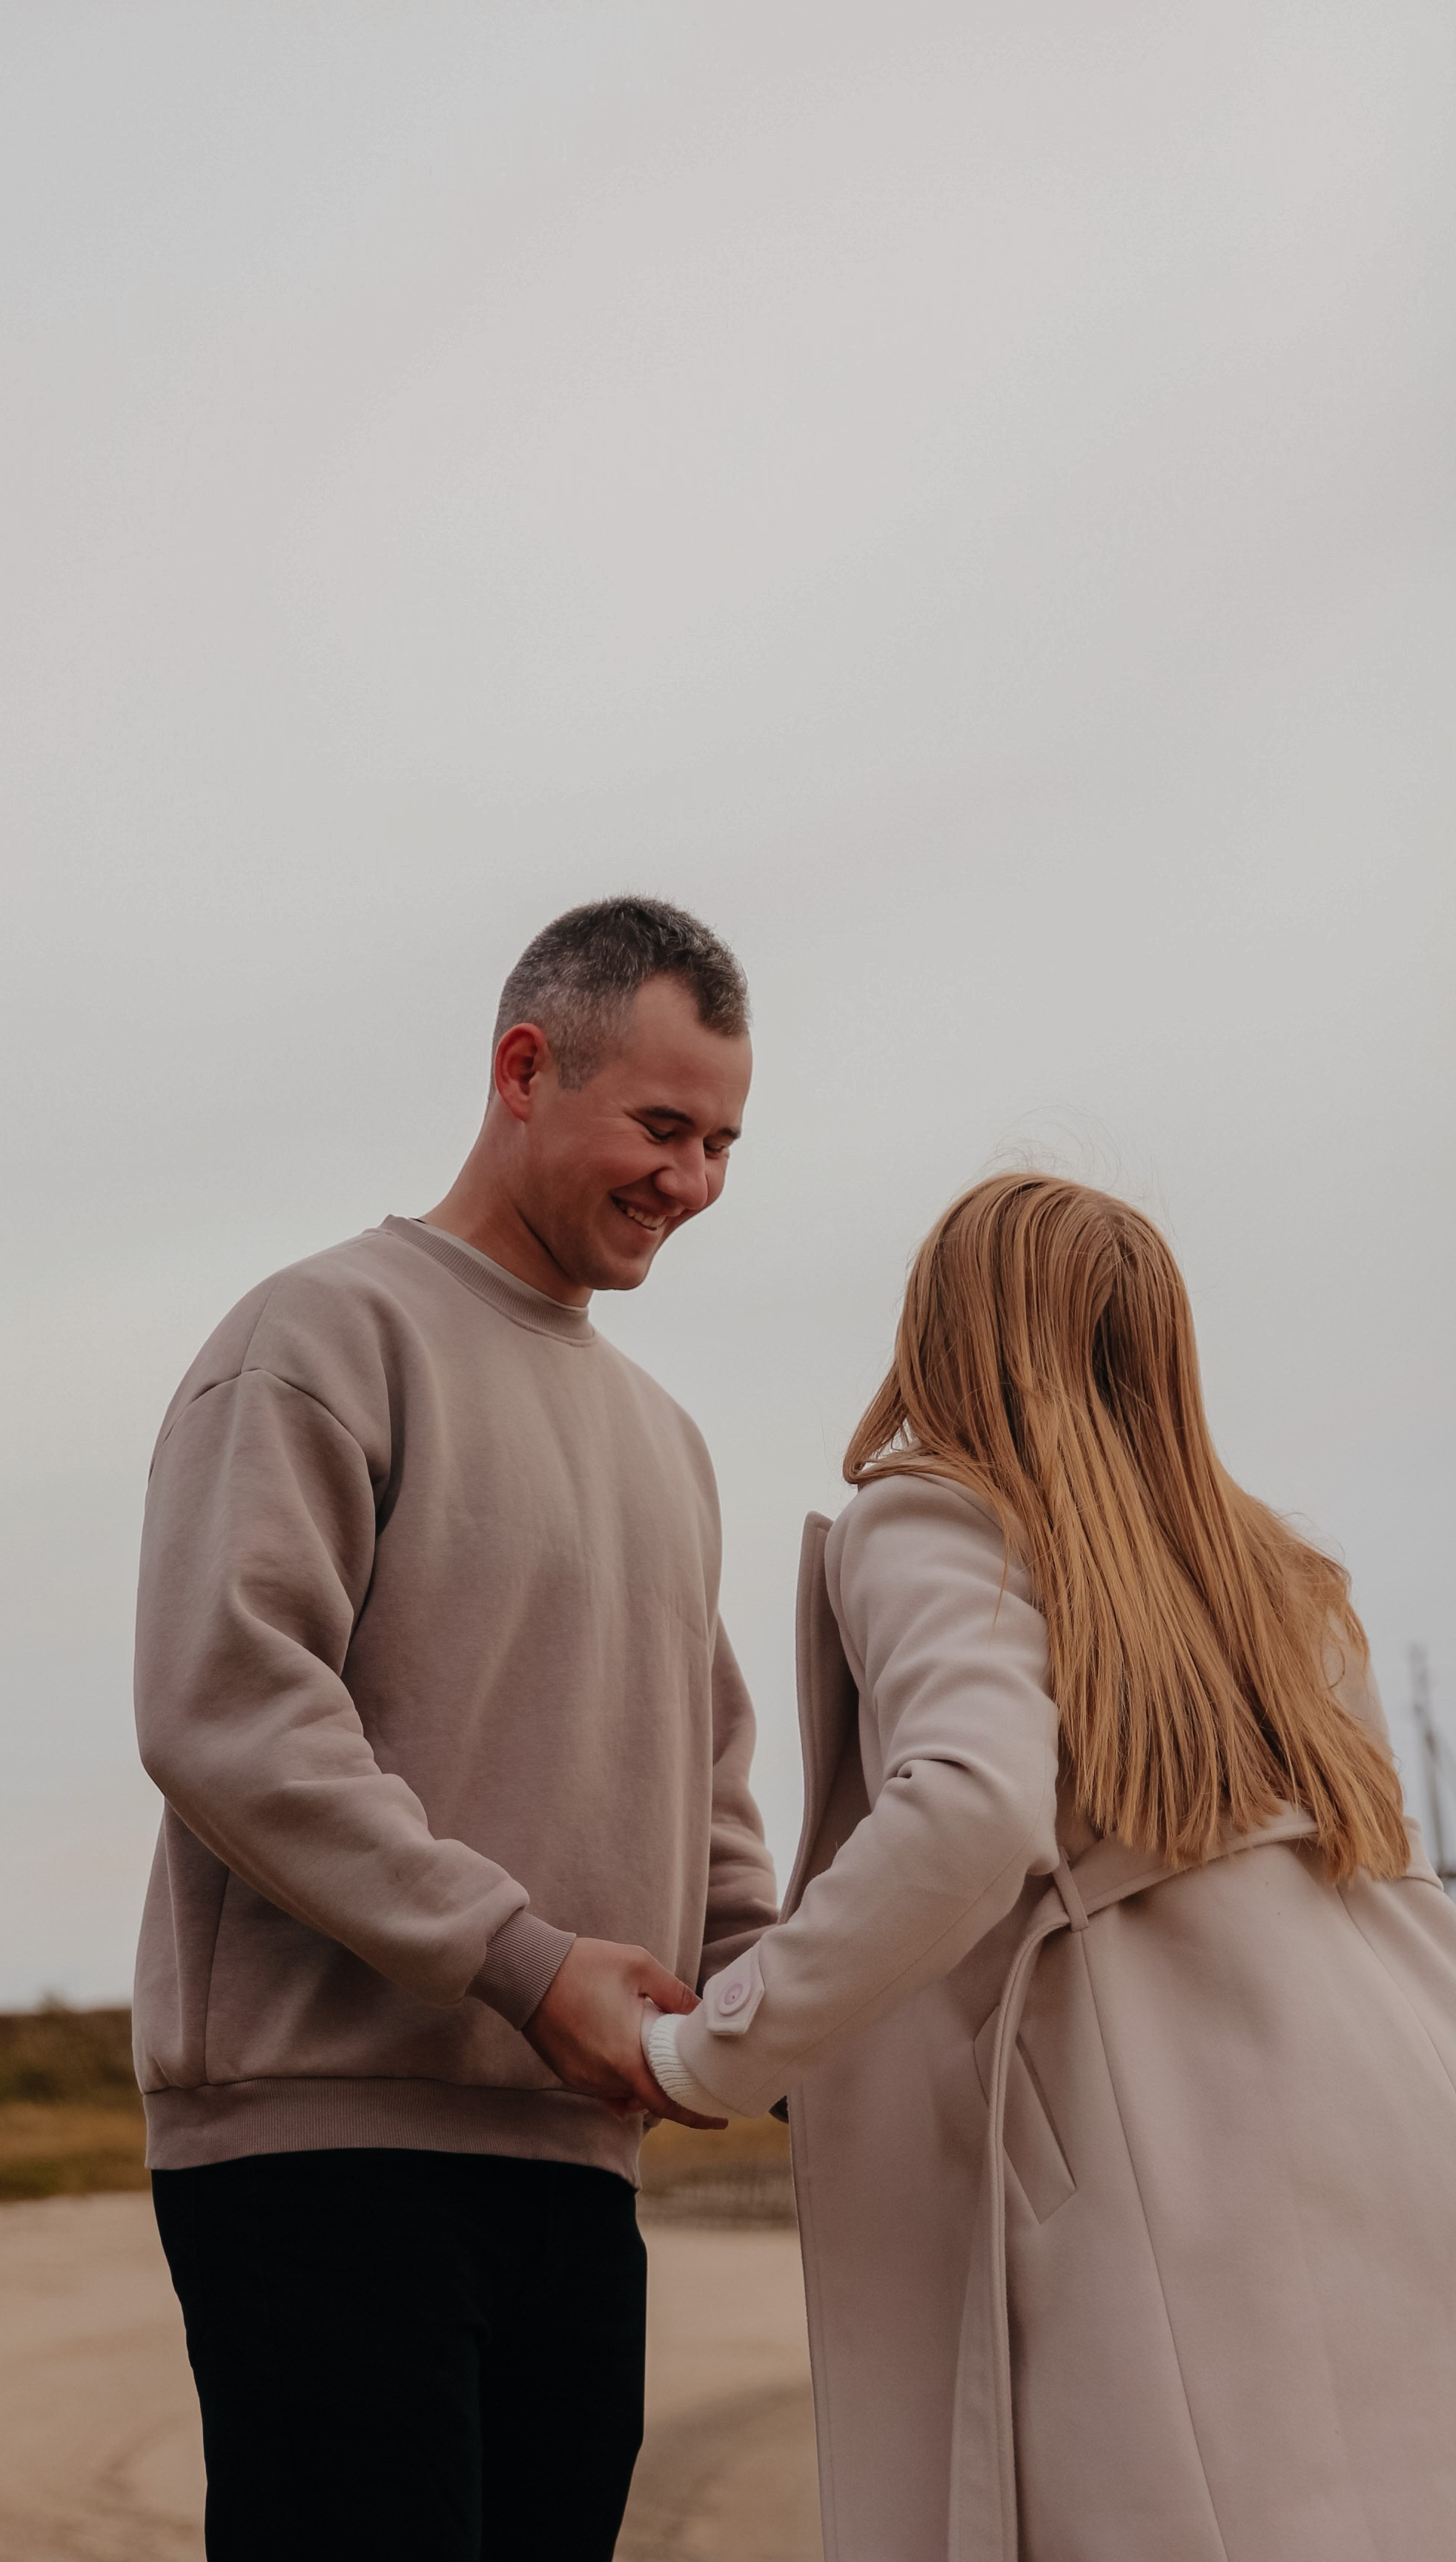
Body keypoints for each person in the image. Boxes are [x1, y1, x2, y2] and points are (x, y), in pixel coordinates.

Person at [643, 1173, 1456, 2562]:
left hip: (1159, 2145)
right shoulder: (1293, 1578)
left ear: (949, 1328)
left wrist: (715, 2048)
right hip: (1405, 2094)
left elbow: (969, 1807)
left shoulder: (939, 1517)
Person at [132, 894, 776, 2561]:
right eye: (659, 1125)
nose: (690, 1181)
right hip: (325, 2156)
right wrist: (521, 1958)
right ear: (520, 1069)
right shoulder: (319, 1337)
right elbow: (228, 1711)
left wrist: (778, 2000)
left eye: (720, 1142)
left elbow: (707, 1786)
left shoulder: (667, 1439)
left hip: (580, 2170)